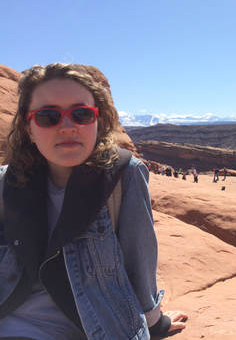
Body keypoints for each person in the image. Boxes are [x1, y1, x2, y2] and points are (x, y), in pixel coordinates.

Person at [0, 63, 187, 339]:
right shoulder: (9, 180)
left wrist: (153, 321)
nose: (67, 127)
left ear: (98, 121)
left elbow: (139, 258)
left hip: (99, 327)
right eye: (48, 116)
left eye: (81, 114)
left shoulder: (122, 175)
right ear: (29, 127)